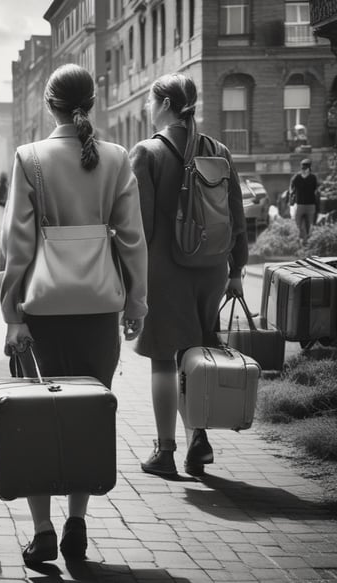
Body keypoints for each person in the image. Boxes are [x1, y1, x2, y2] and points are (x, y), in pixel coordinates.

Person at [0, 63, 148, 564]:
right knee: (88, 415)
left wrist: (11, 314)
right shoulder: (116, 157)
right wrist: (138, 303)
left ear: (49, 105)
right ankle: (77, 522)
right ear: (93, 101)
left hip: (41, 310)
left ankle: (42, 529)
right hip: (99, 310)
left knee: (36, 415)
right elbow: (132, 239)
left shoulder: (30, 158)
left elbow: (17, 245)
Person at [129, 73, 248, 480]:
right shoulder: (219, 150)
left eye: (150, 101)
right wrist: (237, 271)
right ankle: (198, 440)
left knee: (164, 361)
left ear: (162, 104)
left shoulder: (147, 152)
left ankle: (165, 451)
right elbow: (236, 216)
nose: (148, 108)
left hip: (165, 271)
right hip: (212, 269)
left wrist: (131, 281)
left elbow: (139, 228)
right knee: (195, 358)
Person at [289, 158, 320, 244]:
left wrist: (292, 199)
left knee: (304, 224)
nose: (303, 170)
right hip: (306, 205)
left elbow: (292, 190)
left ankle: (306, 240)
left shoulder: (297, 177)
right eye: (303, 168)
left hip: (305, 205)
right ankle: (307, 240)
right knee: (305, 224)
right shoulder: (312, 177)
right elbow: (316, 190)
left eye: (304, 168)